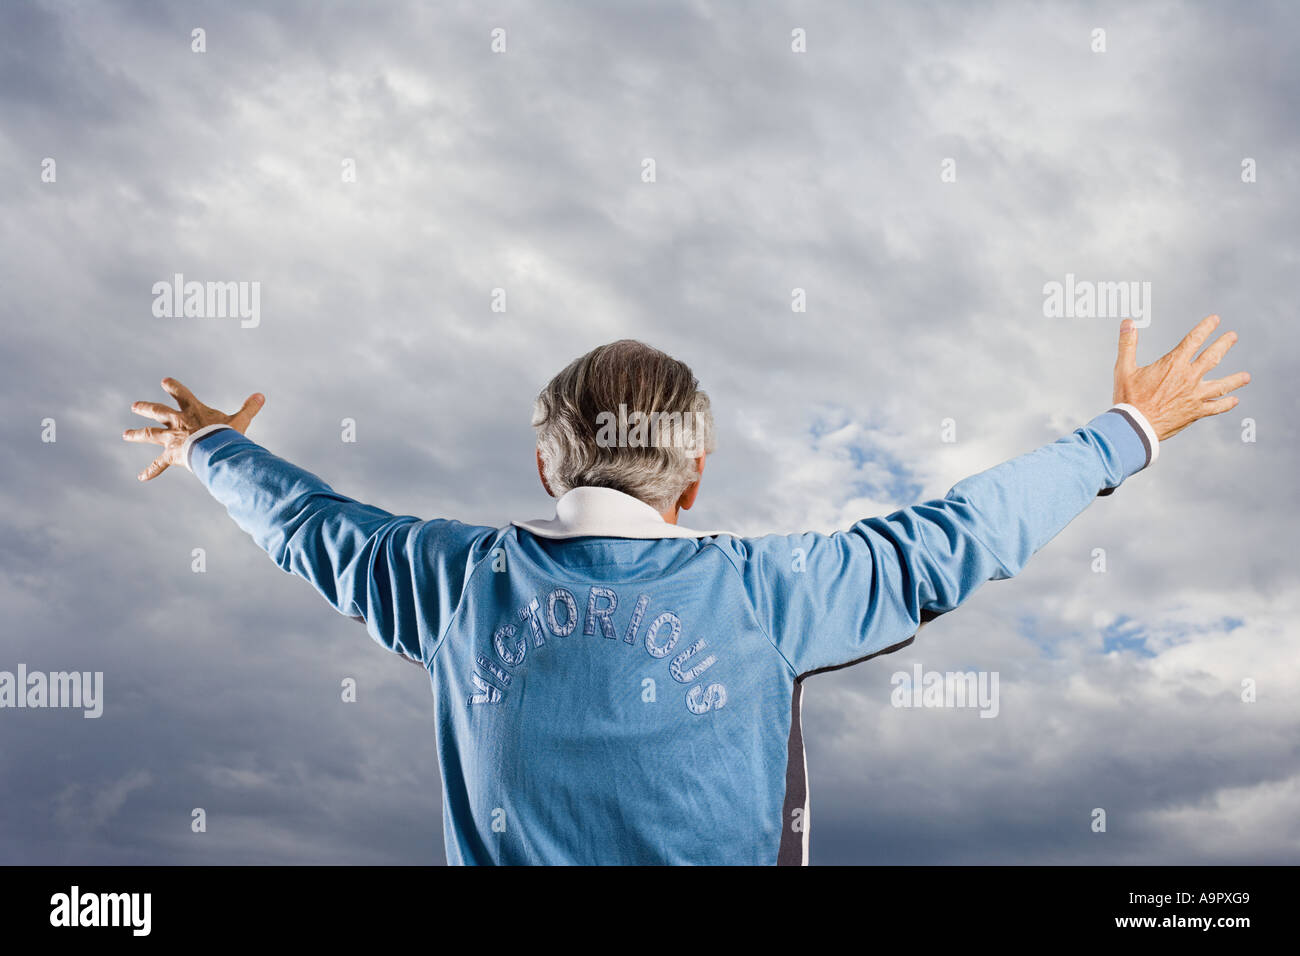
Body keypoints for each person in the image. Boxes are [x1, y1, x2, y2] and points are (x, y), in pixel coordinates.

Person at [123, 315, 1248, 865]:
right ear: (694, 475)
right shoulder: (767, 593)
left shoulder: (457, 583)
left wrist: (211, 447)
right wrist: (1128, 428)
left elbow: (309, 525)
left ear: (543, 464)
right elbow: (949, 539)